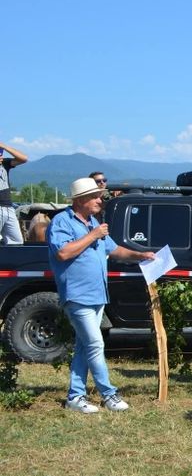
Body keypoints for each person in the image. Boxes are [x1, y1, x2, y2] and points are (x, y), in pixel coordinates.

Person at [48, 177, 155, 413]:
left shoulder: (93, 223)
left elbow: (114, 250)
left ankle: (75, 397)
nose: (100, 200)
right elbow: (63, 253)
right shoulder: (62, 222)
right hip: (77, 295)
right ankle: (109, 395)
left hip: (97, 295)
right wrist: (93, 235)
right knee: (95, 344)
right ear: (81, 200)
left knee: (85, 346)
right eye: (96, 196)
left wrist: (141, 255)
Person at [0, 142, 28, 245]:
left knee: (17, 243)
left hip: (8, 208)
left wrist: (5, 147)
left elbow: (24, 158)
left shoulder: (5, 163)